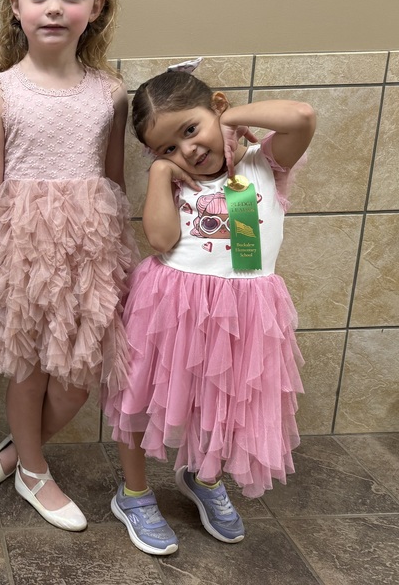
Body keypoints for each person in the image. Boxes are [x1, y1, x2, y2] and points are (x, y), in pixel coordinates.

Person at [0, 0, 147, 542]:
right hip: (22, 250)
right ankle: (32, 467)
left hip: (90, 252)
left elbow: (112, 181)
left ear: (97, 6)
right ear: (16, 5)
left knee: (78, 376)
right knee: (27, 369)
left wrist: (121, 258)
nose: (54, 7)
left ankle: (18, 448)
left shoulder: (110, 93)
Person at [109, 60, 315, 548]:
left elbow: (302, 115)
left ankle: (202, 478)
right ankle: (134, 493)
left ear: (216, 107)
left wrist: (226, 121)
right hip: (169, 308)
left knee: (223, 403)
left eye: (191, 129)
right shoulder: (176, 180)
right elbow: (160, 240)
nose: (188, 149)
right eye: (167, 147)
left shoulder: (264, 165)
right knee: (137, 398)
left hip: (244, 312)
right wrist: (161, 172)